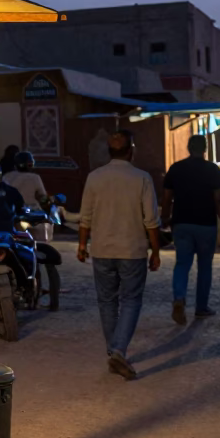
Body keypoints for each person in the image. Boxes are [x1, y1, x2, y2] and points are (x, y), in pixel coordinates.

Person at [77, 130, 161, 381]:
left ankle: (113, 350)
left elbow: (86, 216)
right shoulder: (142, 178)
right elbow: (151, 220)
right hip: (132, 250)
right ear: (131, 151)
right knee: (131, 301)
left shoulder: (95, 177)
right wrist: (155, 251)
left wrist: (82, 245)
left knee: (107, 302)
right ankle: (119, 350)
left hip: (102, 249)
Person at [161, 134, 220, 324]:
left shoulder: (176, 169)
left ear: (188, 147)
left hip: (182, 223)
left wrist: (165, 218)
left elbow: (167, 198)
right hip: (206, 224)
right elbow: (219, 200)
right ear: (205, 148)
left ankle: (179, 298)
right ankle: (201, 307)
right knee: (205, 266)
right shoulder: (213, 170)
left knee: (182, 264)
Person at [4, 151, 53, 241]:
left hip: (9, 212)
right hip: (29, 211)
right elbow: (42, 196)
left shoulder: (7, 176)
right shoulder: (34, 177)